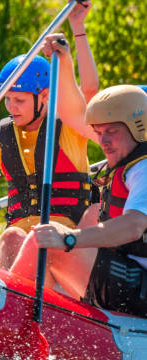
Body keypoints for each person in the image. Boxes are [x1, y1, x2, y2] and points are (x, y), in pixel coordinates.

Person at [9, 85, 147, 317]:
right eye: (98, 132)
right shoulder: (127, 164)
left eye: (112, 131)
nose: (103, 141)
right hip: (129, 277)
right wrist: (62, 56)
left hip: (139, 286)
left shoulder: (142, 168)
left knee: (41, 241)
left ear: (137, 128)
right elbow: (71, 110)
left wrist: (68, 238)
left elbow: (134, 226)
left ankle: (1, 314)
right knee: (92, 214)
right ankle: (33, 323)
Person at [0, 34, 99, 270]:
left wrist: (63, 60)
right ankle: (10, 300)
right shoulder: (2, 134)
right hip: (17, 238)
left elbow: (83, 95)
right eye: (7, 99)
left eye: (19, 100)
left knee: (30, 239)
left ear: (44, 96)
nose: (11, 107)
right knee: (12, 237)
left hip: (63, 239)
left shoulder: (67, 128)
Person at [68, 0, 99, 102]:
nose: (15, 106)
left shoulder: (55, 113)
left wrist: (77, 26)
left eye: (20, 100)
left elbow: (89, 92)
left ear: (44, 95)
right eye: (15, 98)